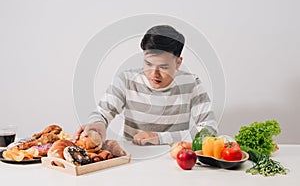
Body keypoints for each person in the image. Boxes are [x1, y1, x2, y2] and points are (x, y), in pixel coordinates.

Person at [75, 25, 218, 146]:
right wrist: (98, 124)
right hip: (131, 159)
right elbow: (101, 114)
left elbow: (209, 131)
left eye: (163, 67)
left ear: (178, 62)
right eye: (148, 64)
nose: (153, 74)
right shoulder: (126, 80)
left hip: (176, 159)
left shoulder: (191, 84)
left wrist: (159, 138)